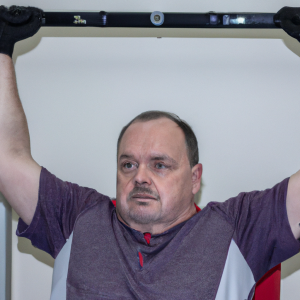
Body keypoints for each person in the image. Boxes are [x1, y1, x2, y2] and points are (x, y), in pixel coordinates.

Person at [1, 5, 300, 300]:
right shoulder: (77, 218)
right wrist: (1, 48)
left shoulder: (238, 228)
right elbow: (7, 160)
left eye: (160, 165)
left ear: (195, 178)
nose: (140, 177)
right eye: (128, 165)